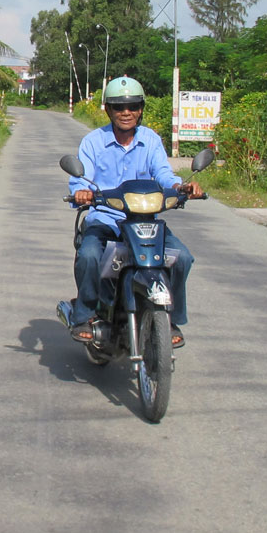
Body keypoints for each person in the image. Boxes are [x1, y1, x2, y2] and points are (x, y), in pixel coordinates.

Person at [68, 76, 202, 346]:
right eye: (118, 107)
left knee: (182, 258)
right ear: (108, 110)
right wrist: (82, 191)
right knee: (90, 255)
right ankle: (86, 314)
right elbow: (81, 178)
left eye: (132, 106)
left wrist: (180, 186)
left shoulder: (150, 139)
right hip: (106, 218)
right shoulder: (93, 141)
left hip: (144, 220)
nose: (125, 112)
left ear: (140, 109)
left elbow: (163, 172)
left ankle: (171, 319)